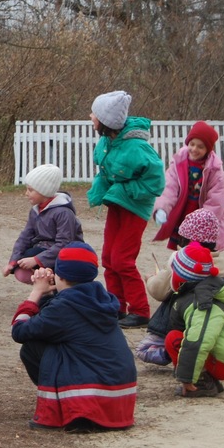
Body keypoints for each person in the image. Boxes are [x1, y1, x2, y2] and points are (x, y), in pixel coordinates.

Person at [10, 242, 137, 431]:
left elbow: (20, 331)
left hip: (91, 398)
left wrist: (36, 292)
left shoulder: (64, 308)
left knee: (34, 347)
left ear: (59, 276)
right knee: (64, 343)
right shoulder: (102, 298)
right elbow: (53, 320)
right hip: (121, 396)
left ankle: (67, 406)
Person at [86, 90, 164, 328]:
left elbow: (157, 180)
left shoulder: (137, 147)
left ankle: (140, 310)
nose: (91, 117)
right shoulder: (108, 142)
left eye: (95, 114)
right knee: (109, 256)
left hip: (134, 207)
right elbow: (106, 170)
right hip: (118, 203)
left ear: (106, 121)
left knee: (122, 259)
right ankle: (116, 306)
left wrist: (129, 190)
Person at [137, 208, 223, 365]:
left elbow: (160, 291)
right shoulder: (221, 266)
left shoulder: (179, 260)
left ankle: (170, 351)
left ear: (187, 239)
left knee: (143, 350)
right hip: (211, 326)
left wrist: (151, 279)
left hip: (178, 323)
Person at [161, 242, 224, 397]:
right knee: (180, 335)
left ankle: (200, 383)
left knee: (173, 339)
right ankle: (208, 379)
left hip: (223, 363)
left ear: (181, 275)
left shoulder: (202, 301)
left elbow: (198, 340)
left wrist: (186, 377)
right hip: (221, 357)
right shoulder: (204, 291)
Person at [152, 121, 224, 251]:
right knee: (182, 251)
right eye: (192, 144)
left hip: (203, 220)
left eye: (200, 147)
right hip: (183, 215)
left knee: (201, 253)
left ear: (208, 149)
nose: (194, 149)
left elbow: (216, 201)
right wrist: (162, 208)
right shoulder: (179, 162)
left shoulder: (215, 170)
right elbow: (169, 188)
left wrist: (202, 224)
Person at [4, 164, 84, 284]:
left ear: (44, 191)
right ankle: (45, 288)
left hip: (67, 256)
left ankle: (55, 288)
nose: (26, 193)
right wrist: (13, 262)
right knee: (20, 267)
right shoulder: (35, 210)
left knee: (31, 259)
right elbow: (25, 237)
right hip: (43, 250)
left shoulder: (64, 213)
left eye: (30, 190)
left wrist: (36, 260)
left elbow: (65, 244)